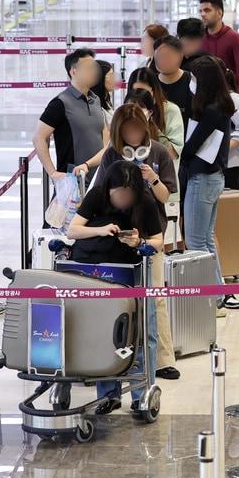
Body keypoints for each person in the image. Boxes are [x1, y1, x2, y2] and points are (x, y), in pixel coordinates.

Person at [66, 160, 164, 411]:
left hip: (133, 274)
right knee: (106, 334)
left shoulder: (146, 202)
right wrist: (100, 230)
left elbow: (158, 241)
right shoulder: (97, 195)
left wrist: (138, 241)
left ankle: (141, 394)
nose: (123, 200)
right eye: (118, 194)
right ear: (109, 188)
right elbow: (73, 230)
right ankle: (109, 394)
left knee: (141, 333)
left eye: (128, 195)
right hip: (100, 275)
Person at [179, 57, 237, 311]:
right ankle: (219, 290)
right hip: (214, 178)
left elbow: (191, 146)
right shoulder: (221, 107)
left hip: (202, 178)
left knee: (195, 240)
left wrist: (183, 152)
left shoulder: (212, 111)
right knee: (206, 239)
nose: (190, 82)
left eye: (193, 78)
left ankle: (212, 294)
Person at [34, 49, 108, 180]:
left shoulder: (96, 100)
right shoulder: (60, 103)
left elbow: (104, 139)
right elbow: (39, 138)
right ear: (73, 72)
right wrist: (52, 172)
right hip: (72, 181)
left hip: (98, 178)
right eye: (88, 68)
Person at [197, 0, 239, 93]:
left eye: (207, 10)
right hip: (203, 94)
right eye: (200, 11)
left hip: (227, 94)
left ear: (219, 13)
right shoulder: (199, 38)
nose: (203, 14)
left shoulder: (233, 37)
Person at [127, 68, 183, 158]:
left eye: (145, 92)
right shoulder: (126, 111)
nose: (140, 96)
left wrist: (149, 124)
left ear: (154, 91)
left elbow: (174, 153)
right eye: (136, 91)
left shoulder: (170, 111)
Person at [153, 35, 194, 119]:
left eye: (168, 56)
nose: (163, 60)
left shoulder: (192, 82)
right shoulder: (150, 82)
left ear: (181, 55)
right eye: (160, 56)